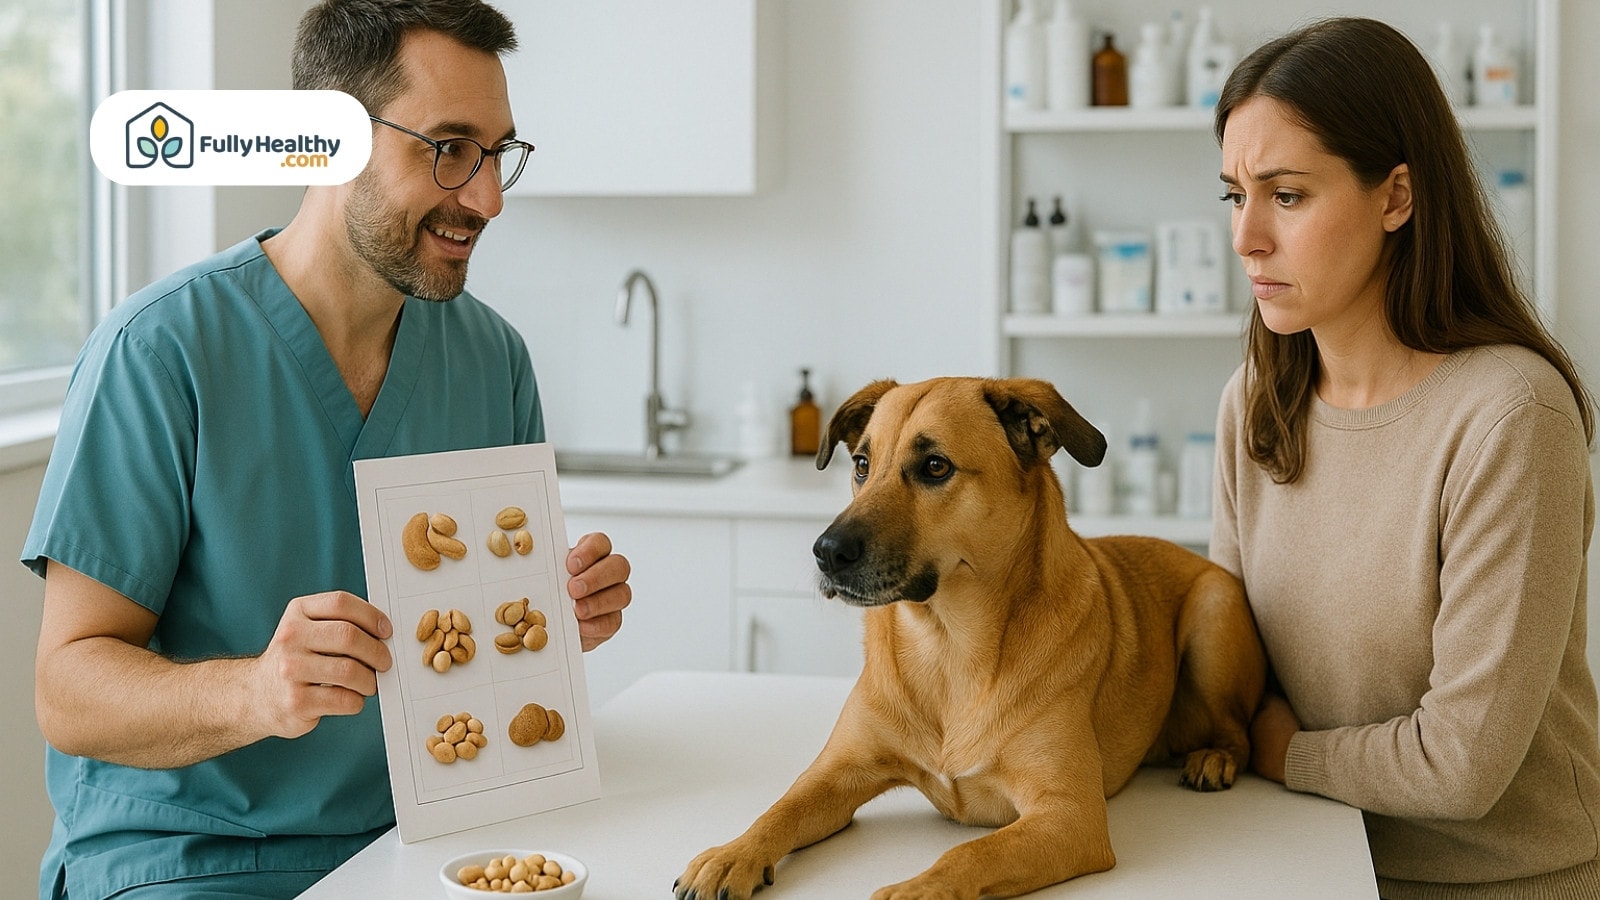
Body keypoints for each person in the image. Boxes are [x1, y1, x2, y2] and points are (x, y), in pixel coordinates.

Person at [24, 2, 632, 897]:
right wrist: (258, 692)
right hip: (191, 860)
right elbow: (66, 691)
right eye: (449, 147)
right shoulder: (158, 355)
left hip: (422, 844)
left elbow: (476, 641)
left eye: (498, 153)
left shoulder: (492, 358)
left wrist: (548, 616)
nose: (489, 196)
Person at [1208, 16, 1600, 899]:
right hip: (1303, 861)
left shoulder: (1508, 416)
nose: (1247, 238)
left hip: (1502, 882)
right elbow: (1226, 664)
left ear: (1396, 197)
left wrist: (1282, 750)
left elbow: (1460, 766)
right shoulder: (1256, 404)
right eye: (1235, 195)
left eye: (1288, 195)